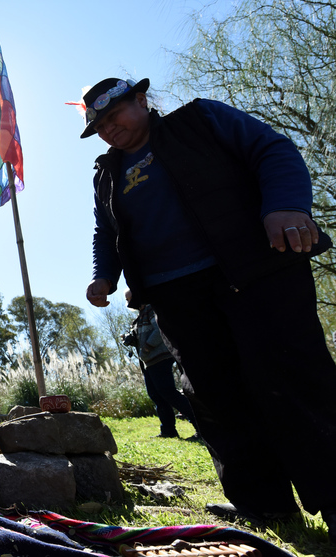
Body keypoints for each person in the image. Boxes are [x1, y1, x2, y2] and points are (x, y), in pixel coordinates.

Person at [81, 77, 336, 540]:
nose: (108, 129)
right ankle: (265, 504)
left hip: (252, 271)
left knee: (292, 378)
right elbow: (107, 234)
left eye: (113, 115)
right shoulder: (107, 173)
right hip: (175, 296)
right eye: (99, 125)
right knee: (217, 398)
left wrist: (285, 205)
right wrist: (104, 275)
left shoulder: (200, 120)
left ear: (141, 100)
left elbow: (272, 150)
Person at [123, 290, 197, 439]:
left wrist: (147, 347)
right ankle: (168, 430)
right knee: (157, 395)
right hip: (148, 361)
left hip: (159, 357)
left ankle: (200, 426)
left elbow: (159, 329)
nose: (129, 302)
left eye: (130, 298)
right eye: (127, 299)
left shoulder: (151, 309)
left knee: (169, 392)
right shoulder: (139, 317)